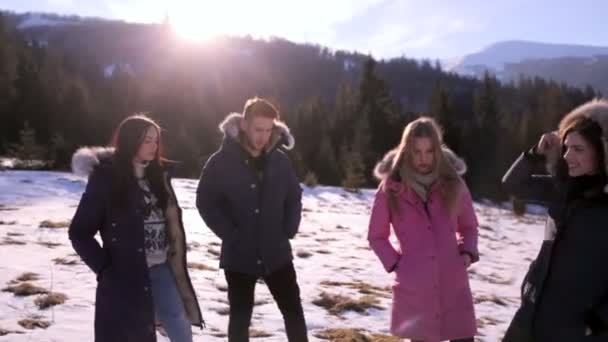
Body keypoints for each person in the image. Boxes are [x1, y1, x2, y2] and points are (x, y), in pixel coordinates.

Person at [69, 115, 203, 342]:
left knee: (180, 325)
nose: (154, 146)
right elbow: (79, 232)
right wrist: (104, 268)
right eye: (147, 140)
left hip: (161, 268)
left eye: (156, 140)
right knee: (134, 333)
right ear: (131, 141)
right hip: (126, 274)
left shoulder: (158, 177)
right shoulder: (106, 178)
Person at [196, 97, 308, 342]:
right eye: (258, 129)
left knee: (293, 312)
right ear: (244, 125)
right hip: (239, 254)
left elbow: (293, 195)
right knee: (240, 319)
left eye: (269, 130)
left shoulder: (280, 160)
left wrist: (289, 228)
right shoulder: (220, 162)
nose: (263, 136)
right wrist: (231, 233)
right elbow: (205, 201)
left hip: (276, 251)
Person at [503, 99, 608, 341]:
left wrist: (600, 321)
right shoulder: (561, 188)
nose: (568, 156)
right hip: (531, 313)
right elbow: (513, 185)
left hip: (575, 330)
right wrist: (534, 153)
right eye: (566, 147)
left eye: (578, 149)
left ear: (602, 153)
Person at [368, 116, 478, 342]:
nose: (423, 158)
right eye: (417, 152)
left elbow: (469, 225)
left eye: (429, 151)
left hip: (453, 283)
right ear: (406, 150)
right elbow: (376, 236)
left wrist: (466, 253)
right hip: (416, 288)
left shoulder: (454, 183)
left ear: (437, 151)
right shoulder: (391, 188)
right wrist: (398, 264)